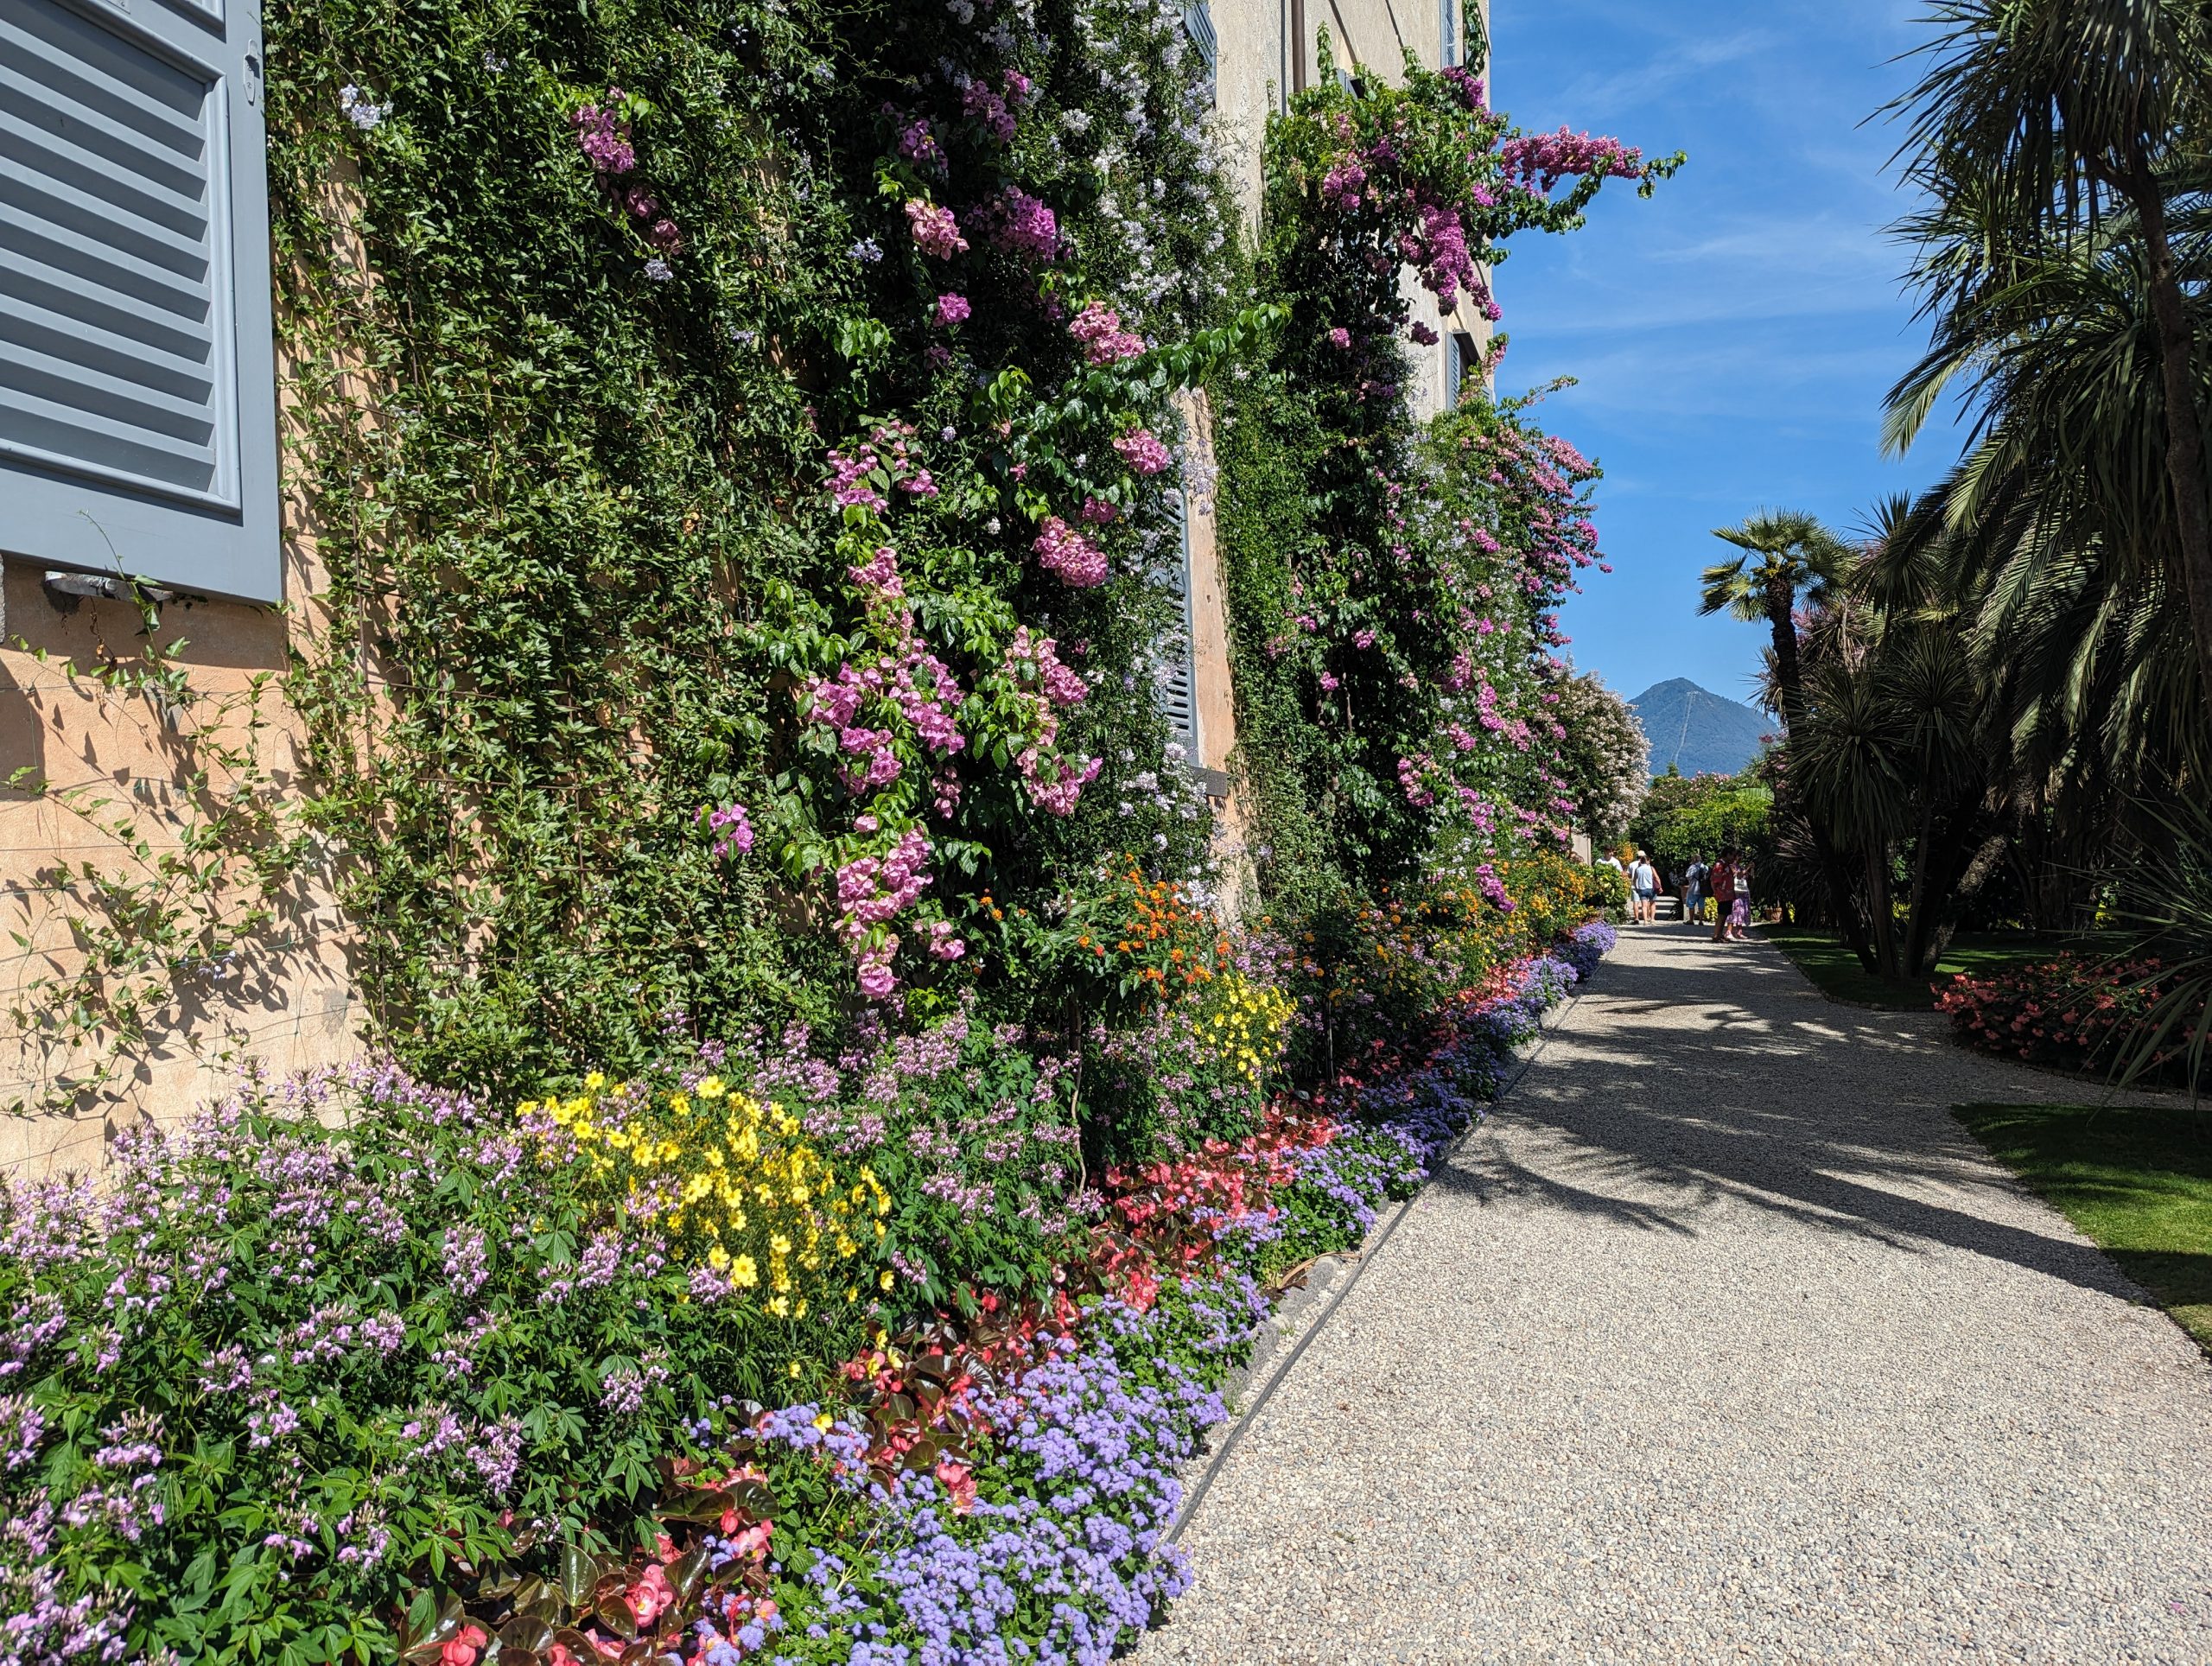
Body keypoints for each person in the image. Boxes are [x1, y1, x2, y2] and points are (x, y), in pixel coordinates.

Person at [1707, 854, 1733, 943]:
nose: (1733, 858)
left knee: (1725, 914)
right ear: (1727, 854)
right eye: (1732, 855)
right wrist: (1715, 892)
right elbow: (1714, 880)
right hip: (1722, 894)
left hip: (1728, 894)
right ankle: (1716, 935)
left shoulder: (1727, 865)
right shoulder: (1720, 865)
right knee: (1721, 914)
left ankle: (1720, 934)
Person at [1628, 850, 1658, 925]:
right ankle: (1652, 919)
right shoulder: (1650, 868)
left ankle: (1643, 920)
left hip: (1641, 888)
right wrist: (1659, 886)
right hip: (1651, 888)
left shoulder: (1637, 868)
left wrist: (1636, 887)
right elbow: (1656, 878)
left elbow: (1633, 879)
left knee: (1642, 905)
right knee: (1652, 904)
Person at [1727, 855, 1753, 941]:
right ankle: (1729, 931)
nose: (1741, 858)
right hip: (1735, 893)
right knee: (1733, 911)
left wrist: (1751, 869)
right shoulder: (1731, 866)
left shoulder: (1741, 867)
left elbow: (1750, 877)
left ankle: (1739, 931)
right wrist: (1748, 867)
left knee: (1741, 911)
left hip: (1743, 892)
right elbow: (1737, 875)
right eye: (1739, 856)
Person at [1682, 855, 1707, 925]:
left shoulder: (1693, 867)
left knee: (1691, 905)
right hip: (1702, 889)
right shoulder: (1704, 866)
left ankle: (1691, 920)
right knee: (1701, 905)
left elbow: (1688, 876)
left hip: (1693, 889)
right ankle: (1701, 921)